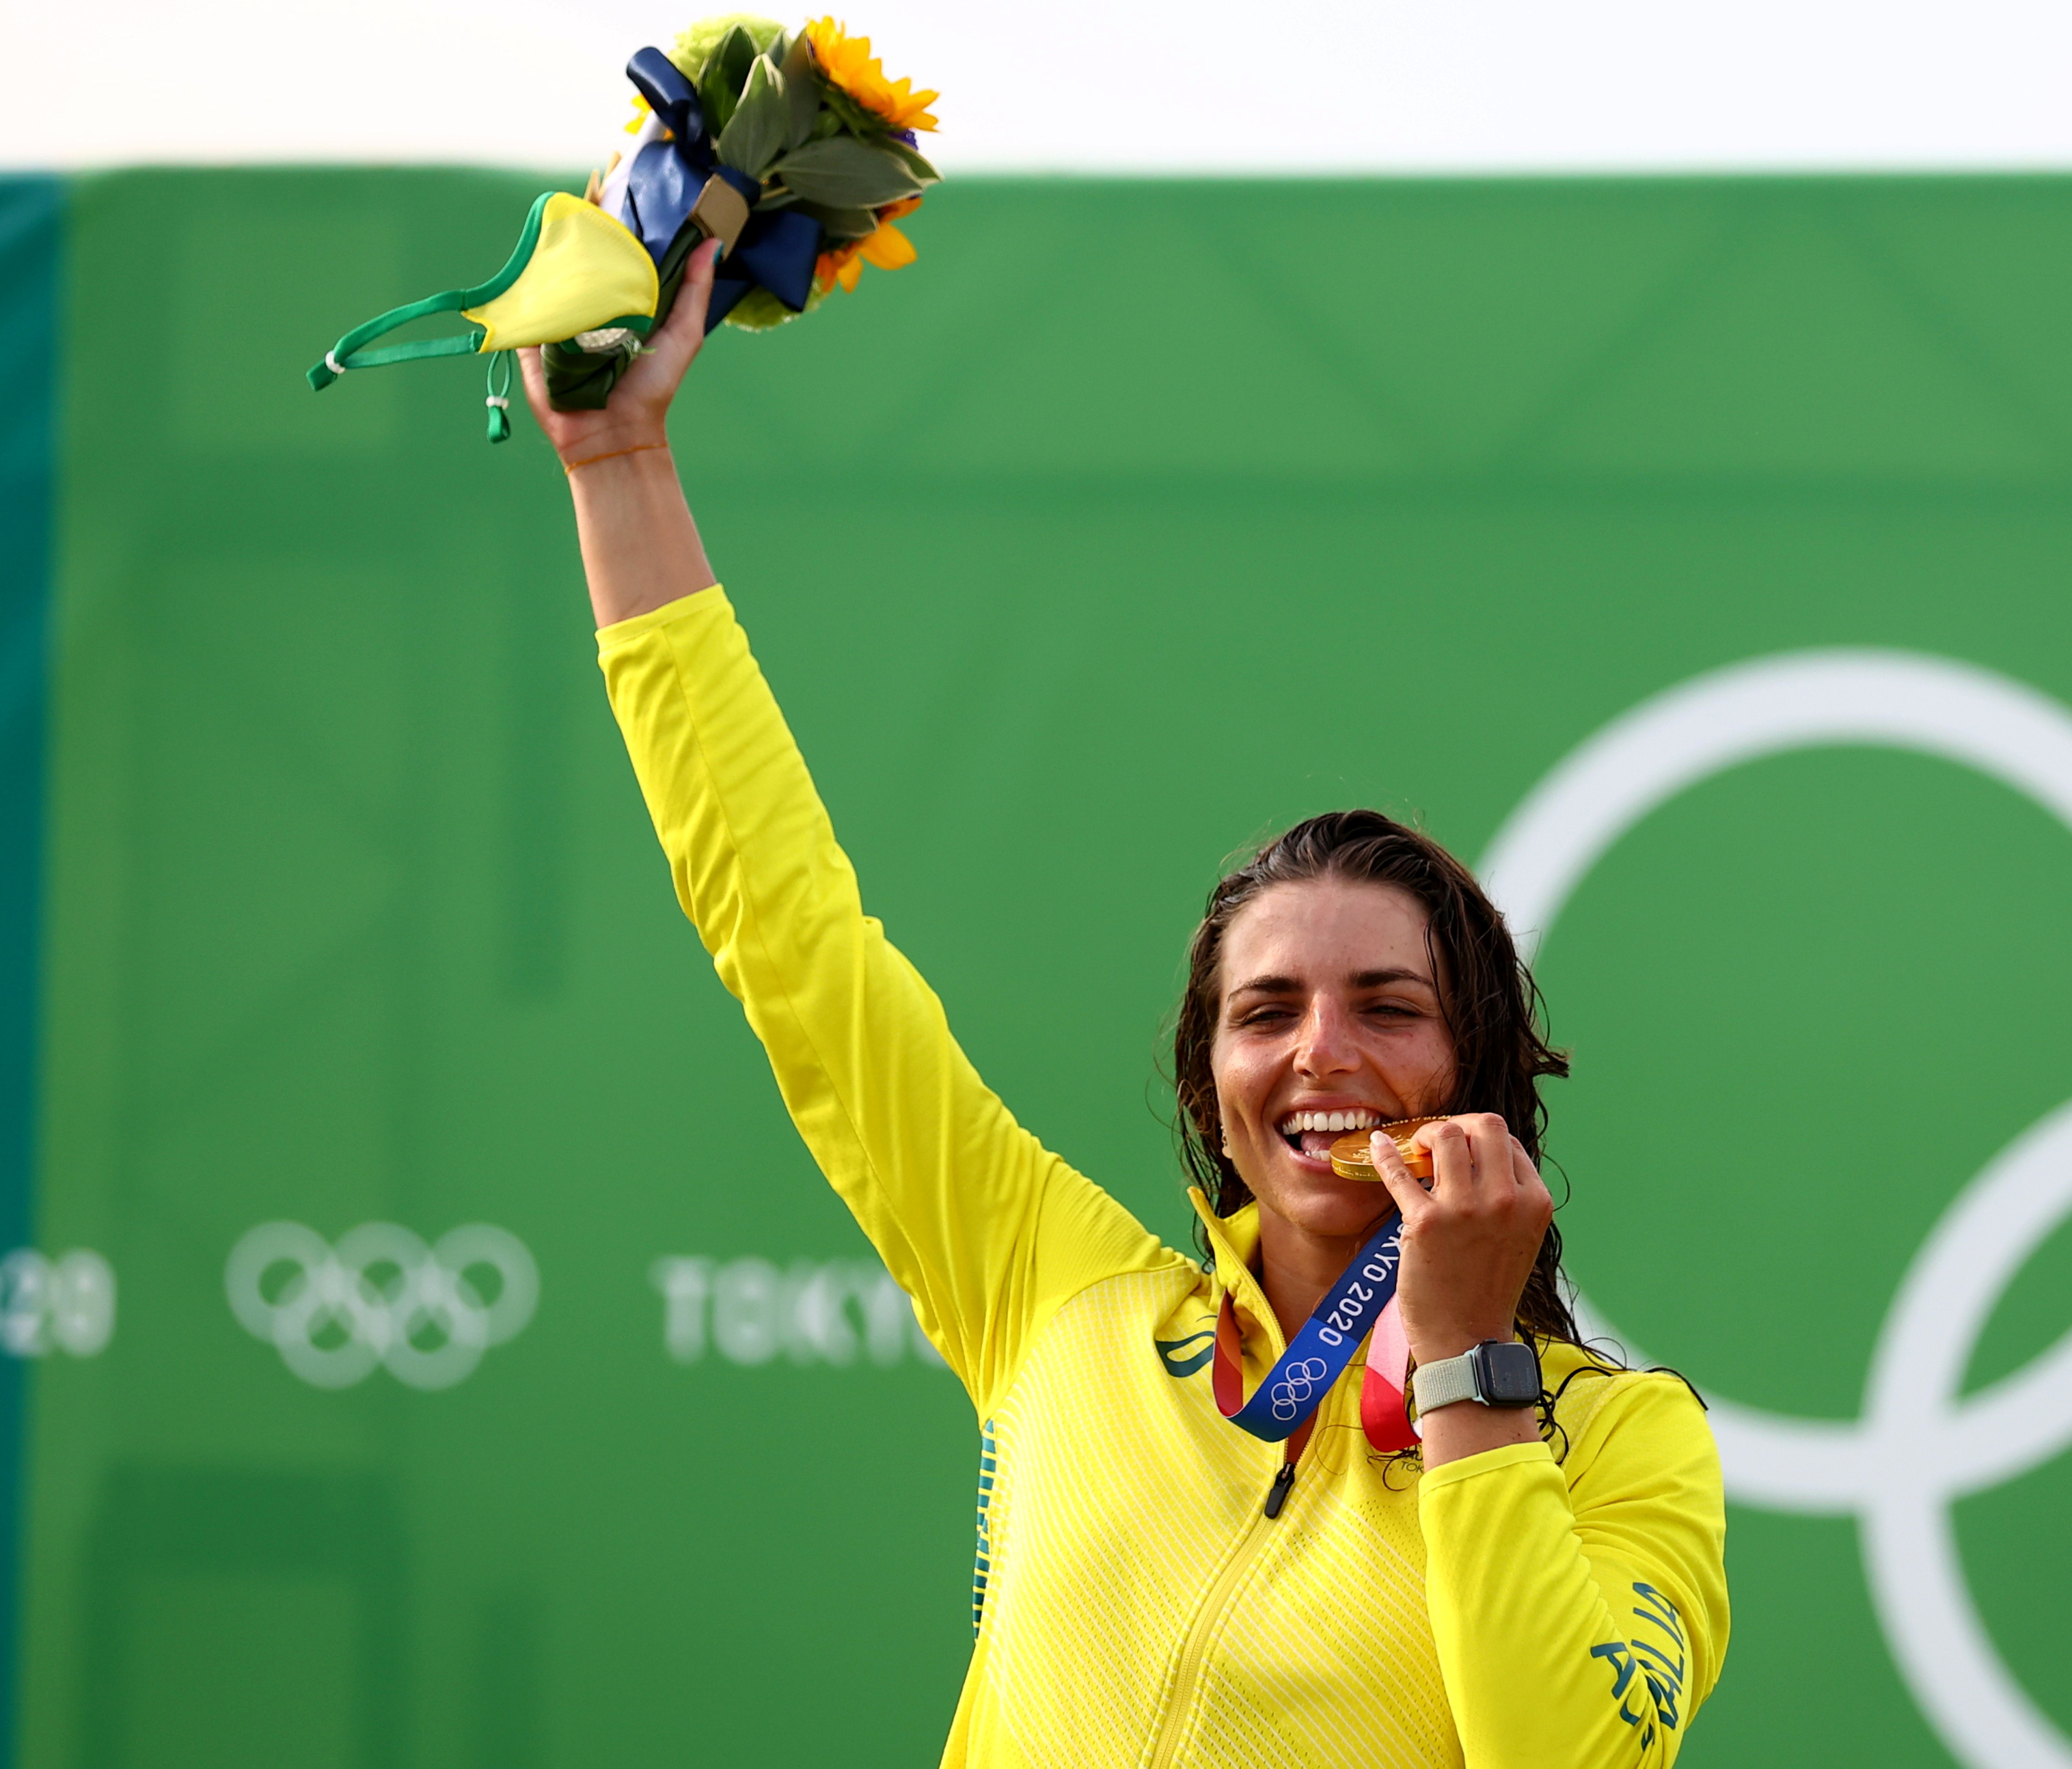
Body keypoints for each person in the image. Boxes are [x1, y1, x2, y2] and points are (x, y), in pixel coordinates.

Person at [522, 240, 1728, 1768]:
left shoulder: (1620, 1440)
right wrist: (620, 467)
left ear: (1476, 1058)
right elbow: (791, 940)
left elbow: (1565, 1757)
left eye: (1388, 1005)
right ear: (1208, 1070)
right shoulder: (1054, 1287)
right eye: (1265, 1010)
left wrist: (1466, 1369)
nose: (1320, 1053)